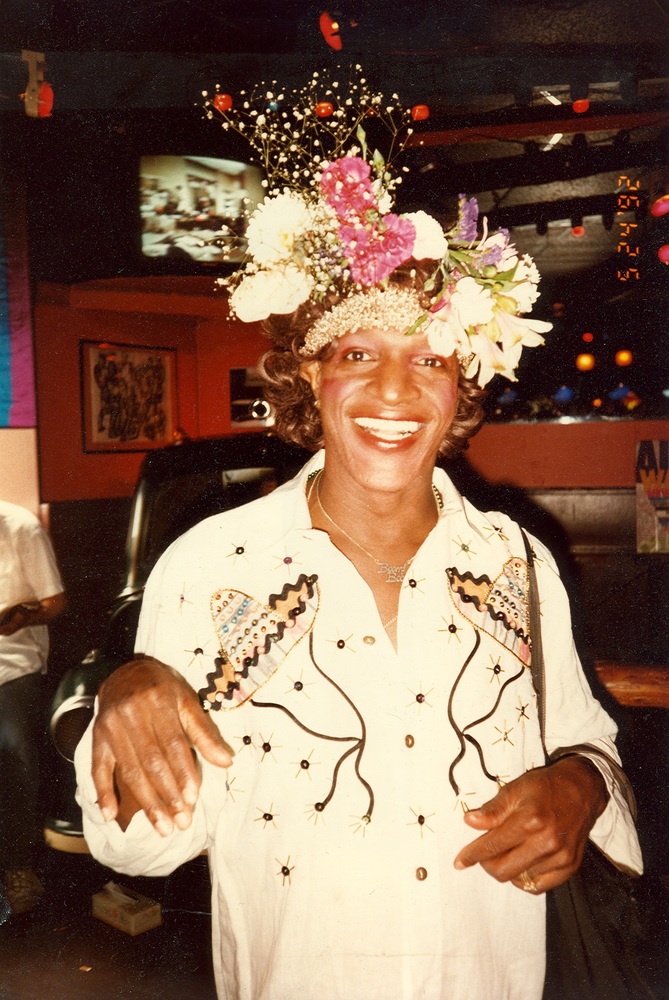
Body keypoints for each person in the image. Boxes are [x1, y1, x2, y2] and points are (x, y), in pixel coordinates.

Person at [74, 70, 641, 1000]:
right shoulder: (211, 566)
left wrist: (580, 787)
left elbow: (588, 743)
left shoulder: (515, 560)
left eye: (429, 359)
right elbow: (145, 847)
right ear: (311, 373)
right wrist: (120, 695)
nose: (392, 391)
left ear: (462, 384)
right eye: (358, 353)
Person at [0, 500, 66, 915]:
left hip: (13, 665)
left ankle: (19, 867)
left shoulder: (21, 527)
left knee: (15, 752)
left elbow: (55, 603)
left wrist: (22, 617)